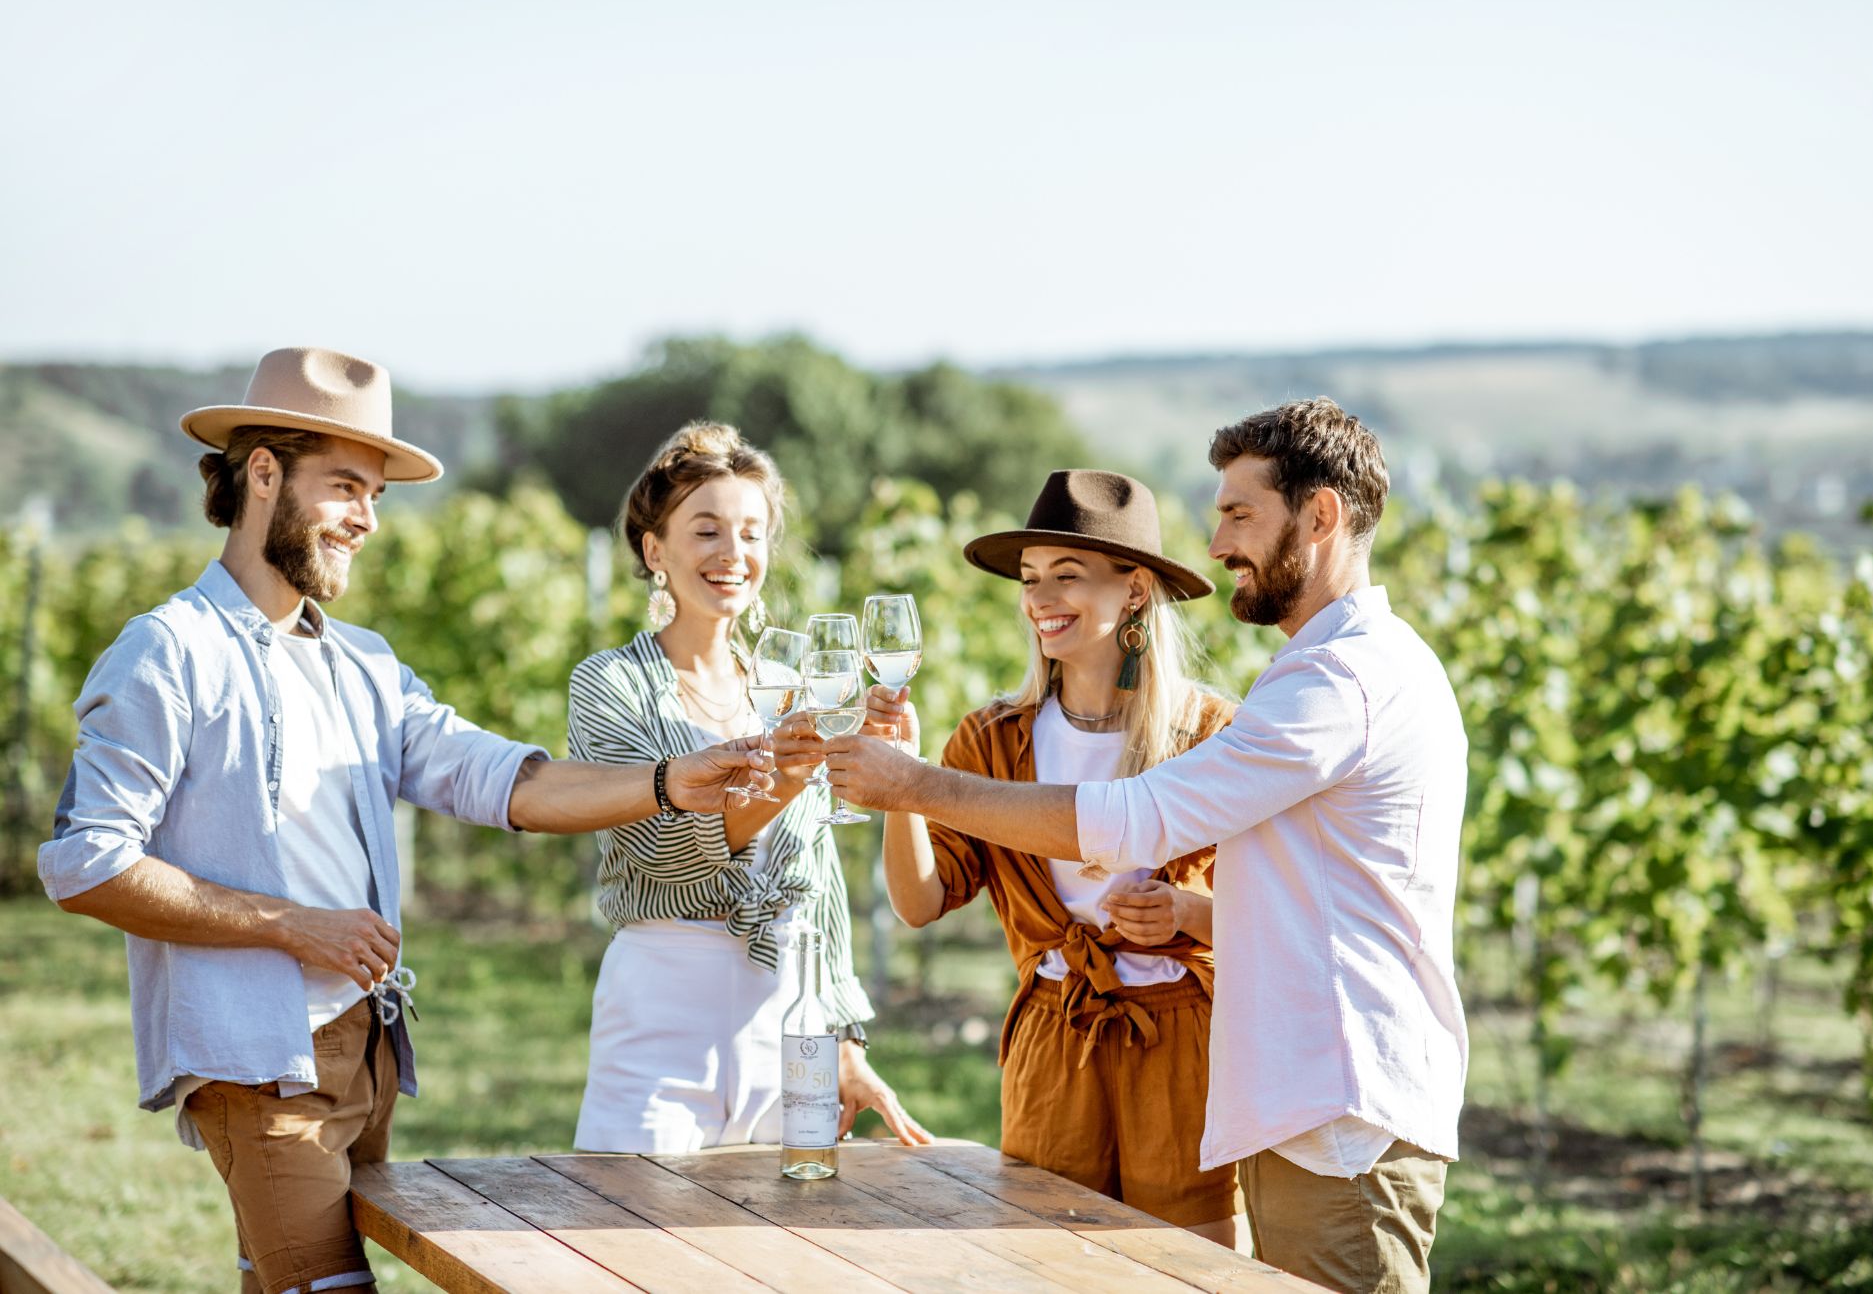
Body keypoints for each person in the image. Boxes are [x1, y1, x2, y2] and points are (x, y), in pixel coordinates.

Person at [37, 347, 769, 1294]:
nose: (367, 521)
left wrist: (672, 780)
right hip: (260, 1062)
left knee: (282, 1282)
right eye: (345, 487)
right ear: (262, 473)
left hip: (365, 1045)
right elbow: (87, 863)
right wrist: (295, 925)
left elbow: (500, 779)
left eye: (376, 495)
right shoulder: (167, 652)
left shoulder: (364, 664)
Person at [809, 399, 1469, 1294]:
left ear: (1320, 518)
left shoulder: (1331, 683)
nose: (1220, 536)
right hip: (1284, 1093)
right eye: (1029, 578)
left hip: (1329, 1099)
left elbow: (1137, 819)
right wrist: (913, 788)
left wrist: (913, 783)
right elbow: (1293, 895)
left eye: (1240, 512)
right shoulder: (1324, 673)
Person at [858, 469, 1240, 1242]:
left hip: (1181, 1045)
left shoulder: (1212, 735)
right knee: (1047, 1260)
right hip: (1055, 1039)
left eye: (1067, 576)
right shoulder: (993, 739)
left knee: (1189, 1265)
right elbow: (919, 903)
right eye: (1031, 580)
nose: (1039, 599)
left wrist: (1186, 913)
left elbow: (1275, 914)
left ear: (1134, 590)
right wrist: (902, 783)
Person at [567, 421, 929, 1154]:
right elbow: (660, 849)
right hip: (663, 1010)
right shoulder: (609, 685)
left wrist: (844, 1037)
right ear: (654, 551)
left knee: (783, 1253)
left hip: (788, 1021)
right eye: (707, 531)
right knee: (631, 1247)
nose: (734, 555)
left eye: (753, 534)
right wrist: (788, 781)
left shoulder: (795, 692)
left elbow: (818, 883)